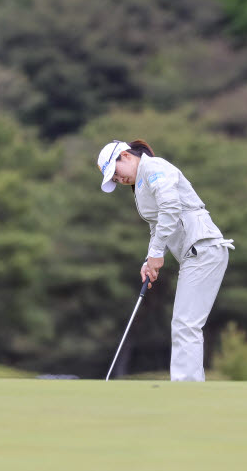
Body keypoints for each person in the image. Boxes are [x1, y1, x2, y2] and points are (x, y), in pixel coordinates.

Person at [97, 139, 234, 381]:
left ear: (126, 156)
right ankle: (188, 388)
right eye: (114, 180)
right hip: (195, 253)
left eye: (116, 173)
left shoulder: (155, 168)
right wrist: (149, 260)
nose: (118, 180)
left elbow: (170, 208)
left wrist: (157, 253)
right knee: (184, 324)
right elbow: (157, 226)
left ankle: (186, 390)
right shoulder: (140, 184)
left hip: (204, 248)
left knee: (185, 325)